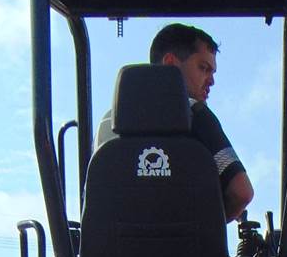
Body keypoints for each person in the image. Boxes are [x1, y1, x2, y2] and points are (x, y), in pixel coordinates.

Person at [98, 23, 254, 221]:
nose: (211, 81)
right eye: (204, 68)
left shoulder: (109, 122)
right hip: (190, 251)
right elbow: (241, 193)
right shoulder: (197, 116)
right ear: (171, 63)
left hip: (113, 250)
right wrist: (210, 227)